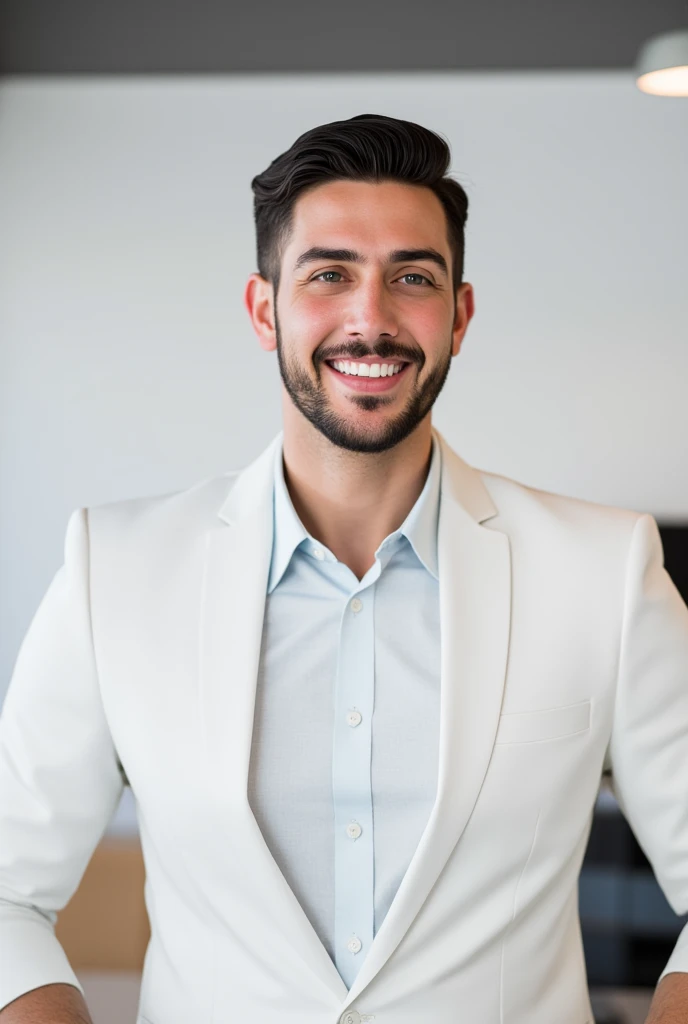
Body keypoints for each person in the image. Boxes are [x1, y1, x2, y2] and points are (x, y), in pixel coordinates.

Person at [0, 114, 687, 1024]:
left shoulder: (604, 568)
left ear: (459, 315)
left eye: (413, 277)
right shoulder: (114, 570)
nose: (372, 319)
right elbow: (8, 892)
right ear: (263, 309)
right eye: (329, 275)